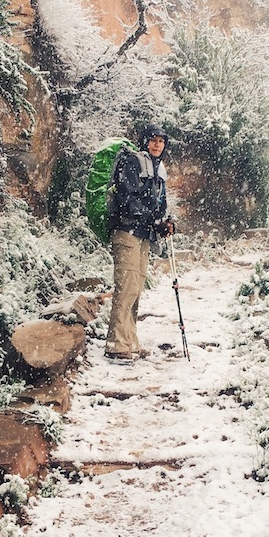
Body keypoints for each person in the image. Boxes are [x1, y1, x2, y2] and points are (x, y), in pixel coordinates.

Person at [104, 122, 175, 361]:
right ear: (145, 140)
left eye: (161, 141)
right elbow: (127, 199)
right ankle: (116, 345)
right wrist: (151, 220)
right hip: (126, 231)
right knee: (126, 286)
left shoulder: (158, 169)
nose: (157, 144)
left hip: (143, 234)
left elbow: (159, 204)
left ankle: (130, 341)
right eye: (154, 139)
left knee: (136, 288)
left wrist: (165, 222)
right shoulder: (132, 162)